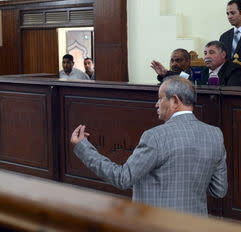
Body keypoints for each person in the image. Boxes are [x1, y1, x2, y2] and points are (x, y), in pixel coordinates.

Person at [71, 76, 227, 216]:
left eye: (160, 98)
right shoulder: (215, 134)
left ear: (174, 101)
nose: (156, 104)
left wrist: (84, 148)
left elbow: (123, 178)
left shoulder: (155, 136)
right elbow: (219, 190)